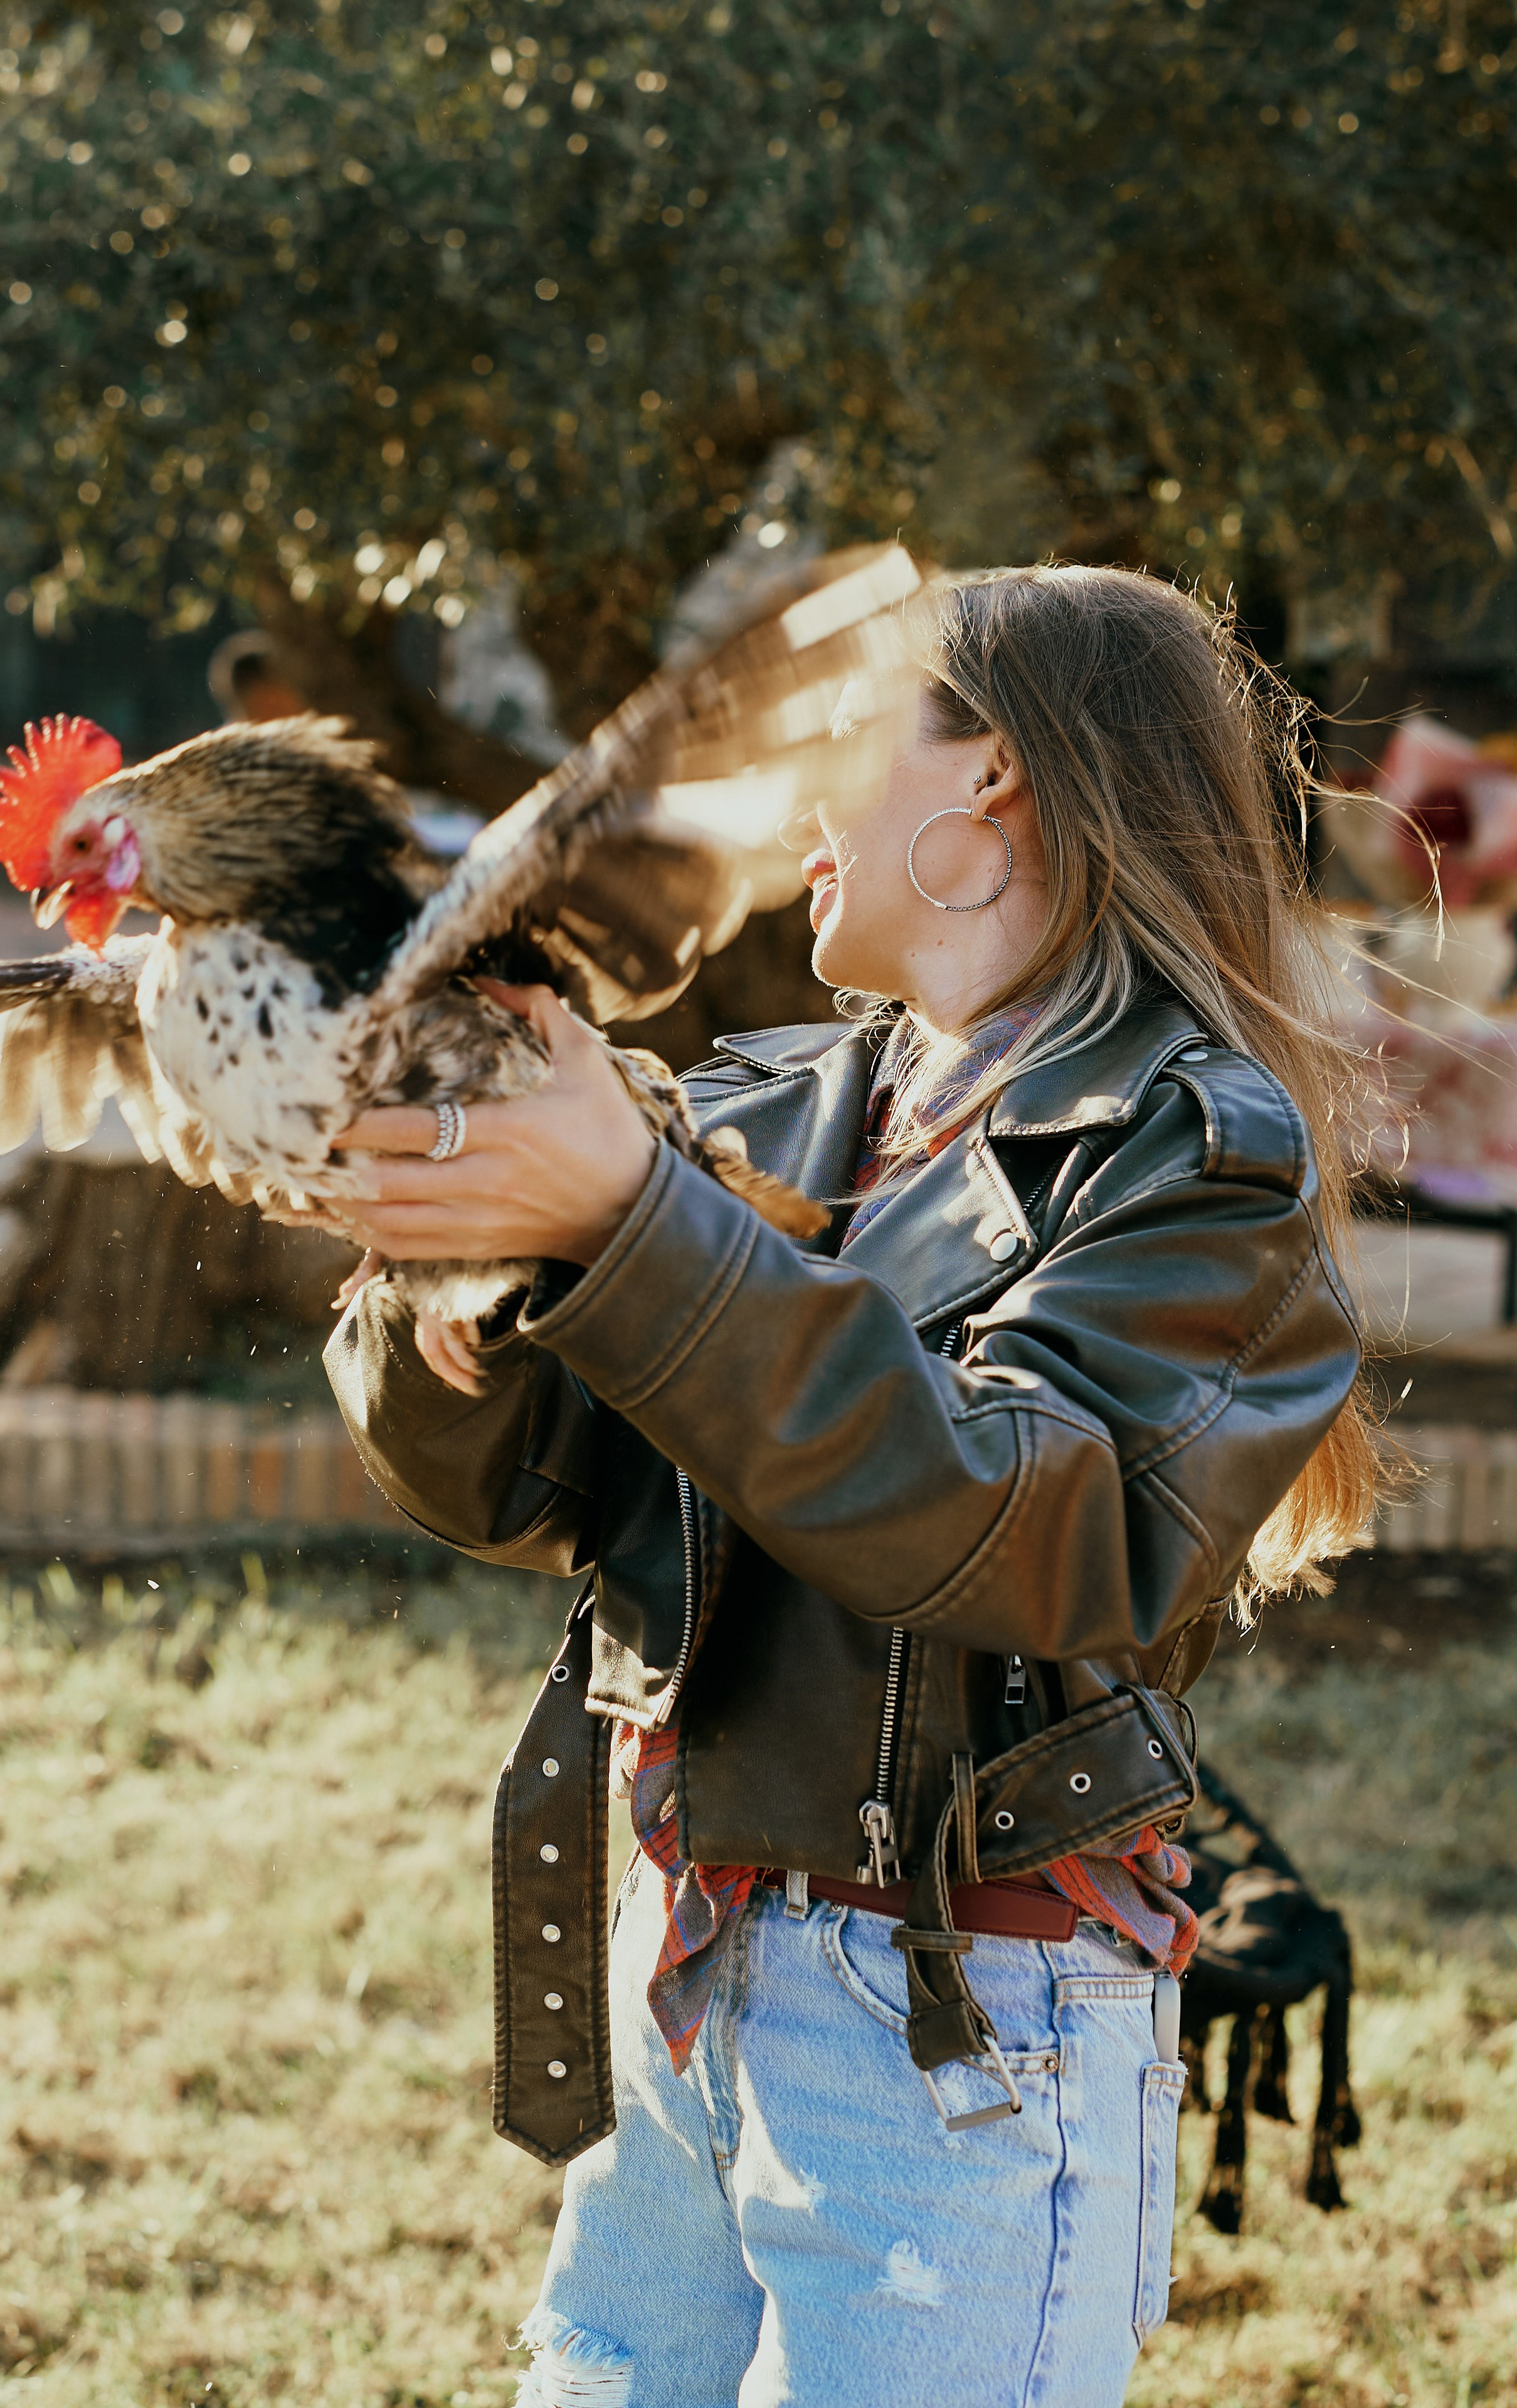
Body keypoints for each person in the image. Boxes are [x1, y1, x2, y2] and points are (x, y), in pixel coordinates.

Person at [322, 566, 1371, 2408]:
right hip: (685, 1976)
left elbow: (1031, 1529)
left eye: (843, 736)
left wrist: (633, 1230)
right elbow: (522, 1489)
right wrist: (449, 1293)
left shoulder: (1198, 1156)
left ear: (998, 794)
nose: (793, 796)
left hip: (961, 2041)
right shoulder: (777, 1108)